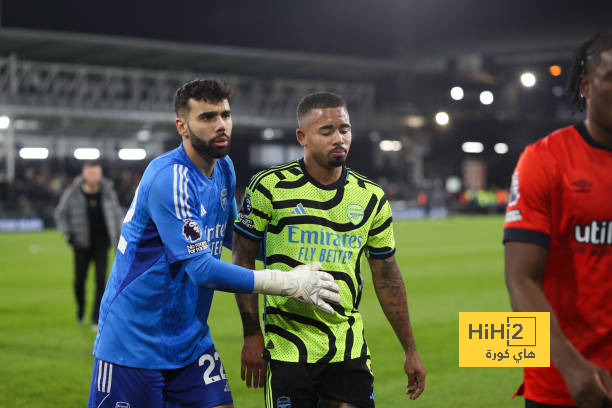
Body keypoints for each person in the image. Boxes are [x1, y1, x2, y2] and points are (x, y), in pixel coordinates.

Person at [87, 79, 340, 408]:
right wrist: (287, 282)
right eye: (207, 117)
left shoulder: (224, 168)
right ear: (182, 126)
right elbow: (201, 270)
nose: (221, 125)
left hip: (190, 339)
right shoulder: (170, 178)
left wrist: (300, 254)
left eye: (225, 115)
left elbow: (232, 238)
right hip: (134, 342)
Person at [232, 92, 426, 407]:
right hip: (287, 348)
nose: (339, 138)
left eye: (344, 129)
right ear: (302, 137)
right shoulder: (269, 187)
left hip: (348, 348)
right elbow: (242, 258)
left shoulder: (371, 197)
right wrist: (251, 334)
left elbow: (387, 276)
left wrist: (411, 349)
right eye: (327, 131)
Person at [504, 33, 612, 408]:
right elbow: (520, 278)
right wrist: (571, 367)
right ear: (585, 86)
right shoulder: (545, 160)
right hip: (566, 386)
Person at [54, 161, 122, 328]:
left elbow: (116, 215)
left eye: (96, 173)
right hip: (81, 243)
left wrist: (119, 238)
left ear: (100, 174)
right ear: (84, 175)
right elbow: (60, 215)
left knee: (101, 280)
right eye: (91, 173)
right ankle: (81, 308)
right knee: (79, 281)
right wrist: (67, 234)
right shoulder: (72, 193)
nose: (94, 176)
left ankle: (95, 317)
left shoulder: (108, 192)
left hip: (102, 242)